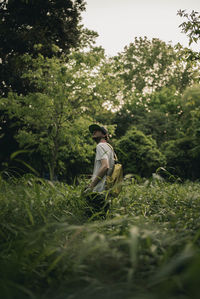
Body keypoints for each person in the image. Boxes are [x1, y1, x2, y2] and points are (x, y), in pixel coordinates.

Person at [84, 124, 115, 217]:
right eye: (93, 130)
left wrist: (91, 186)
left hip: (98, 192)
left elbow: (105, 166)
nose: (93, 132)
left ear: (104, 135)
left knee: (90, 223)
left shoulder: (100, 146)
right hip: (106, 192)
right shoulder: (109, 148)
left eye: (97, 130)